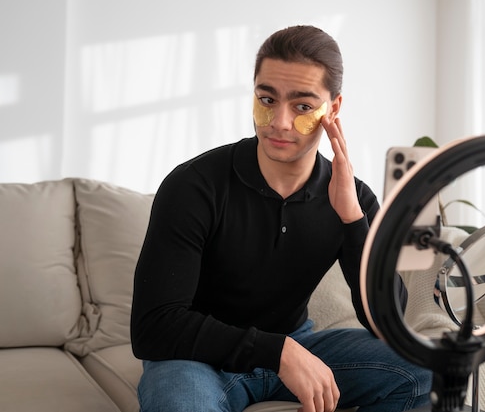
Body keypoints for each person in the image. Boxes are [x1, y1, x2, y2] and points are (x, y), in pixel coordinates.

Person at [131, 25, 432, 412]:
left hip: (298, 344)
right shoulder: (194, 185)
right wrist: (279, 352)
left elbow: (386, 323)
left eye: (303, 106)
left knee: (425, 370)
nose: (280, 121)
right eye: (267, 99)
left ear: (333, 109)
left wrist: (352, 219)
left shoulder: (351, 195)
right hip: (198, 358)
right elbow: (153, 327)